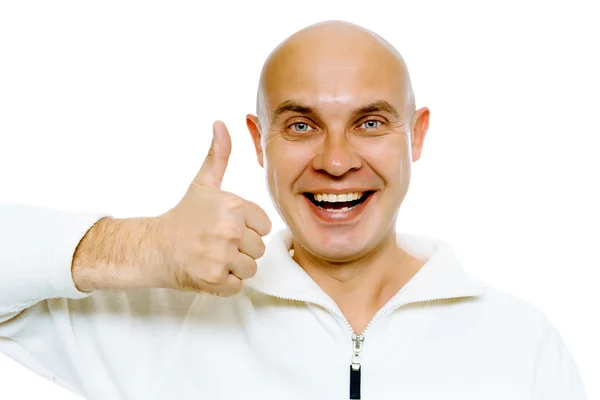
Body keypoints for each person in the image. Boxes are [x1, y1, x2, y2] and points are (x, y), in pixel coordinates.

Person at [0, 20, 587, 400]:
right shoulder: (158, 323)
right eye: (302, 125)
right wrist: (145, 248)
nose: (336, 161)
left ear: (417, 135)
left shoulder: (519, 343)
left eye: (371, 123)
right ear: (259, 141)